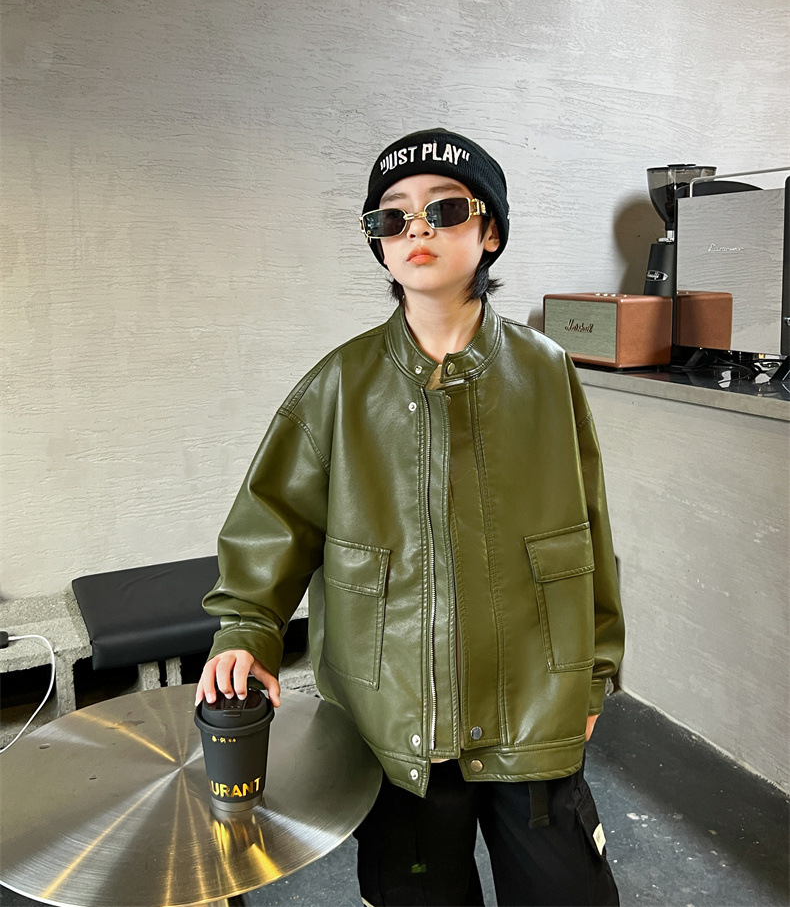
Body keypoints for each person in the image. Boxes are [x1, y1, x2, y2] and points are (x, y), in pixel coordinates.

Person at [196, 128, 626, 906]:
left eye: (445, 208)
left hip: (533, 708)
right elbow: (272, 525)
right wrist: (245, 633)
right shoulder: (338, 386)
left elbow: (588, 535)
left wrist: (594, 678)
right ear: (380, 245)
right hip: (395, 726)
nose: (415, 228)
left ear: (489, 230)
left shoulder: (547, 373)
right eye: (391, 217)